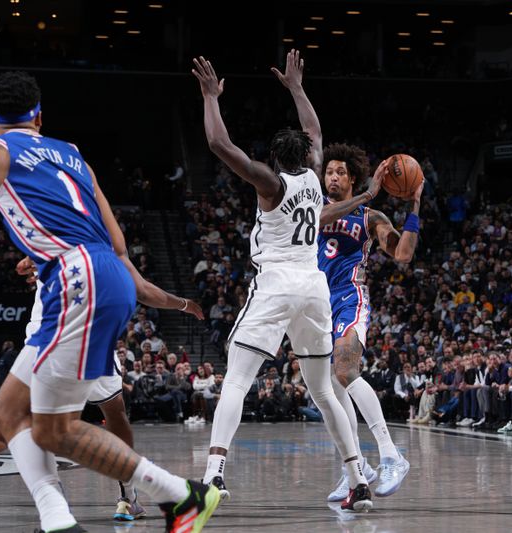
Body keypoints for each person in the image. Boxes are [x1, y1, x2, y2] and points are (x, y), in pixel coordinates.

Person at [0, 71, 218, 533]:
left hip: (75, 280)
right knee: (7, 412)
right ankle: (57, 519)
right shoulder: (73, 154)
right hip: (103, 272)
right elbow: (118, 243)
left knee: (53, 430)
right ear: (39, 116)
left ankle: (184, 497)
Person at [192, 51, 371, 511]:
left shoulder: (270, 184)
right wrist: (295, 87)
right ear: (308, 157)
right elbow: (314, 129)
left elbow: (218, 143)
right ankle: (357, 479)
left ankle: (214, 474)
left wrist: (211, 97)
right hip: (314, 288)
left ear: (274, 159)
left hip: (276, 282)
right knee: (323, 389)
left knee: (237, 378)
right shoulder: (315, 177)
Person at [317, 141, 420, 500]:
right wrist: (365, 195)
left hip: (349, 298)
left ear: (353, 177)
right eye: (329, 171)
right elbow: (316, 219)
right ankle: (356, 466)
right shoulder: (313, 209)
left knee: (345, 371)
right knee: (329, 388)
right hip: (316, 305)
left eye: (340, 172)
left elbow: (403, 254)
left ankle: (391, 454)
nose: (332, 177)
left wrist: (415, 206)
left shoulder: (370, 217)